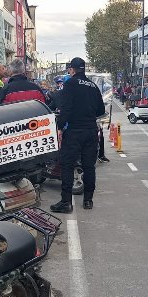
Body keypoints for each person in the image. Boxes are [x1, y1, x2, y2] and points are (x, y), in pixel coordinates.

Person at [50, 57, 105, 213]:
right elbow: (101, 110)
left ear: (72, 70)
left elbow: (65, 109)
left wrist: (60, 127)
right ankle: (88, 200)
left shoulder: (70, 84)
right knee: (89, 166)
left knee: (67, 165)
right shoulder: (93, 86)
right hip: (90, 131)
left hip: (74, 131)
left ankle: (66, 202)